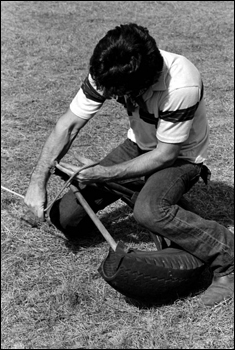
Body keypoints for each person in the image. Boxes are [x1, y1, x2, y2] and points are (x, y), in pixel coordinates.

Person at [24, 23, 234, 306]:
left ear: (144, 81)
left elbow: (165, 155)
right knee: (66, 218)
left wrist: (104, 174)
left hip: (180, 157)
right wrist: (38, 182)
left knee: (149, 211)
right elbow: (68, 126)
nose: (111, 97)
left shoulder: (182, 83)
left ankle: (227, 261)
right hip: (137, 147)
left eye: (117, 94)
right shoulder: (109, 67)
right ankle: (159, 202)